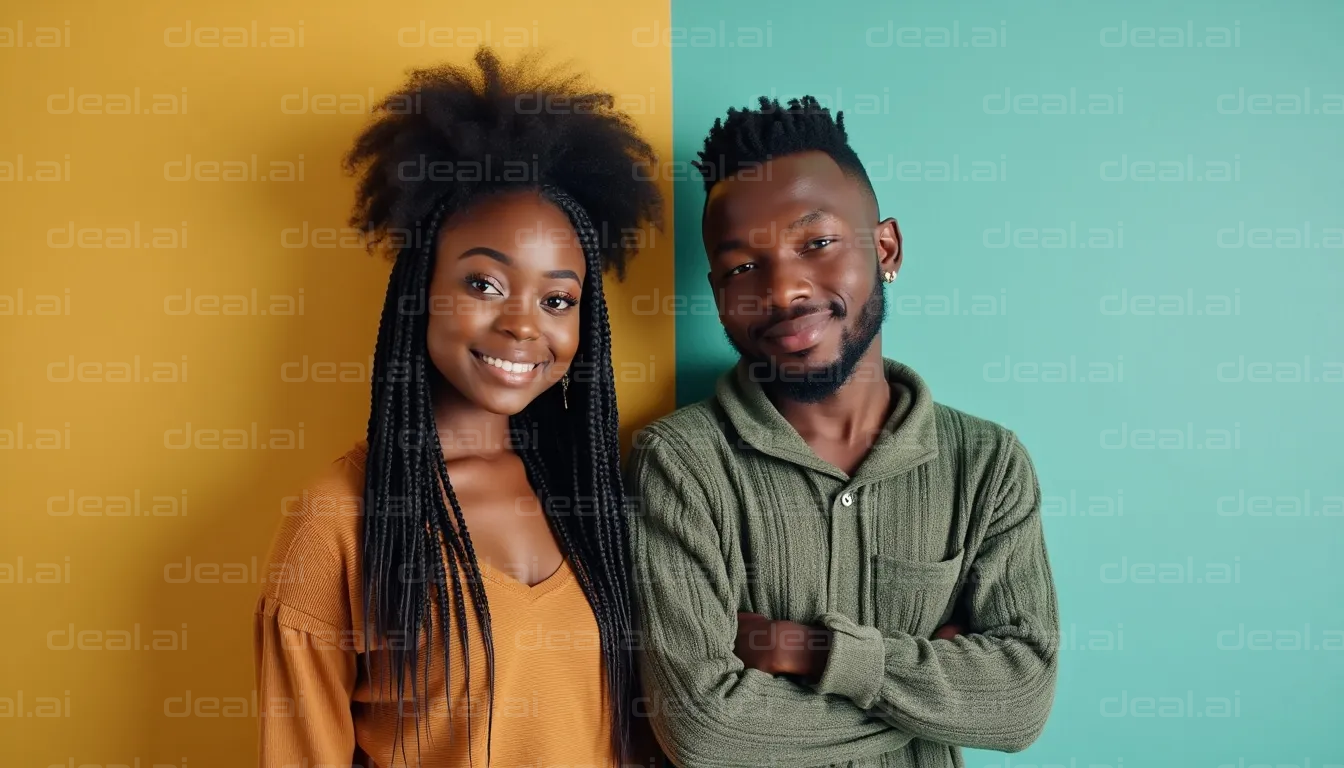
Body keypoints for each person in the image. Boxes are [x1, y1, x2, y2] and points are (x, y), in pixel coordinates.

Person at [254, 48, 663, 767]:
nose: (523, 325)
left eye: (558, 299)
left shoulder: (594, 492)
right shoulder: (339, 519)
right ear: (422, 288)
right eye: (483, 284)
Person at [625, 96, 1059, 767]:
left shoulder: (988, 464)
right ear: (716, 291)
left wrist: (808, 650)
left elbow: (1022, 701)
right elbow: (703, 731)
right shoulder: (681, 464)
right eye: (743, 267)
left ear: (885, 248)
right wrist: (935, 697)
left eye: (817, 243)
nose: (784, 289)